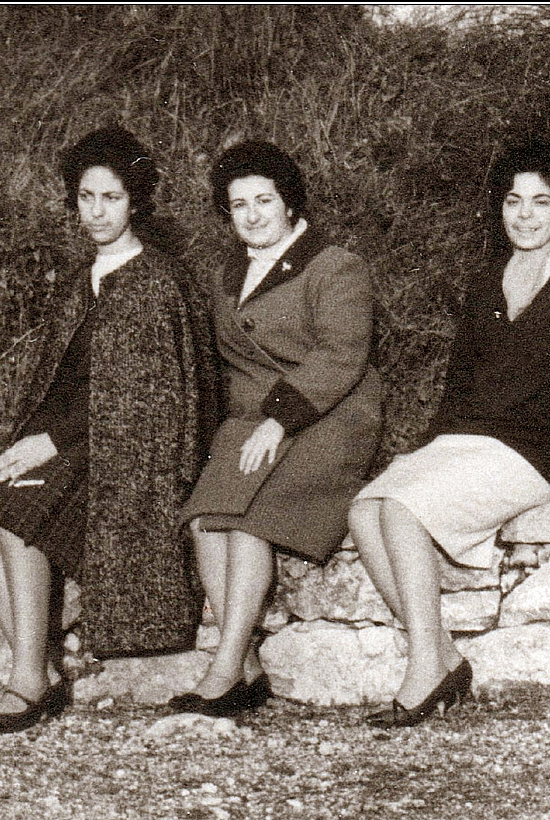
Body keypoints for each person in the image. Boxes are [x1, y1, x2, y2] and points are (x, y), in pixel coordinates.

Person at [349, 137, 550, 729]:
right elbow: (459, 383)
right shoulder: (484, 282)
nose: (525, 216)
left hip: (536, 450)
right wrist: (425, 453)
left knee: (399, 510)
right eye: (513, 201)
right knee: (365, 510)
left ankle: (424, 671)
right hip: (469, 439)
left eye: (541, 202)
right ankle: (444, 656)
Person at [0, 126, 219, 735]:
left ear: (136, 202)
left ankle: (26, 680)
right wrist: (28, 442)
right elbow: (60, 384)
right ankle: (38, 668)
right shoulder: (82, 279)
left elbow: (150, 403)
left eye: (111, 198)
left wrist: (51, 444)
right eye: (85, 197)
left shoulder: (156, 282)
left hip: (128, 455)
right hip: (73, 441)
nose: (96, 212)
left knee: (17, 515)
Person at [175, 141, 383, 716]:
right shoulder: (228, 274)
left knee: (250, 525)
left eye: (264, 200)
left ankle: (223, 670)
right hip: (253, 422)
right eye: (238, 205)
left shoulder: (334, 265)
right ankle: (244, 666)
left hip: (328, 416)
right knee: (205, 521)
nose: (252, 215)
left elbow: (341, 356)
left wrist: (279, 420)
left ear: (289, 202)